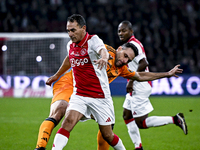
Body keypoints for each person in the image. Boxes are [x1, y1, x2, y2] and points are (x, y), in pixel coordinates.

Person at [46, 14, 126, 150]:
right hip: (80, 94)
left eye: (73, 30)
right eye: (68, 30)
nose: (70, 34)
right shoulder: (70, 45)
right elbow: (69, 59)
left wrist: (104, 58)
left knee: (108, 135)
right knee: (68, 122)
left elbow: (103, 51)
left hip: (100, 97)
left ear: (83, 28)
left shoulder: (93, 40)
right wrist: (56, 75)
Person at [117, 21, 188, 150]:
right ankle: (138, 147)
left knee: (141, 123)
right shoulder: (130, 44)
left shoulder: (134, 45)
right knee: (127, 115)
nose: (121, 33)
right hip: (138, 84)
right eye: (119, 31)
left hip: (140, 85)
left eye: (124, 30)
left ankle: (175, 119)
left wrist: (132, 80)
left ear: (131, 31)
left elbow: (144, 63)